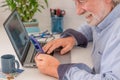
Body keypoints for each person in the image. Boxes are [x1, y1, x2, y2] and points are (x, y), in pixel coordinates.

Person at [35, 0, 120, 80]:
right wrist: (72, 38)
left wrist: (58, 70)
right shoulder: (103, 16)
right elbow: (90, 27)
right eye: (75, 2)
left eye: (82, 1)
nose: (78, 12)